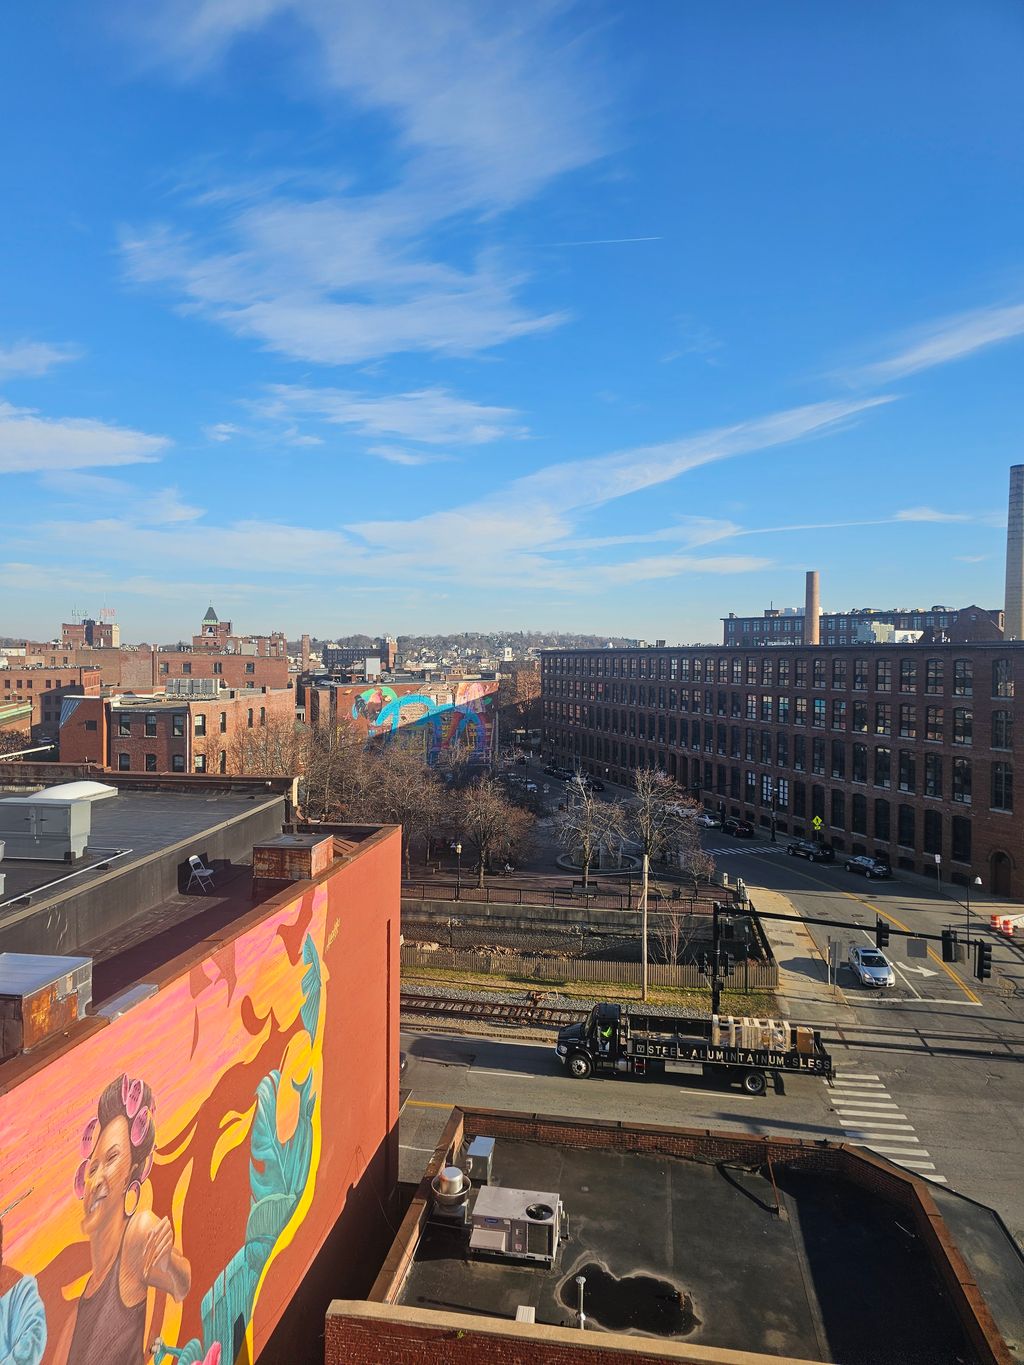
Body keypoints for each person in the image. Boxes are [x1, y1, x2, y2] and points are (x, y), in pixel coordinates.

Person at [55, 1074, 191, 1365]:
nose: (98, 1179)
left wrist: (170, 1262)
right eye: (92, 1168)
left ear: (132, 1176)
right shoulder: (71, 1322)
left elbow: (183, 1284)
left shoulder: (136, 1235)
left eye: (113, 1158)